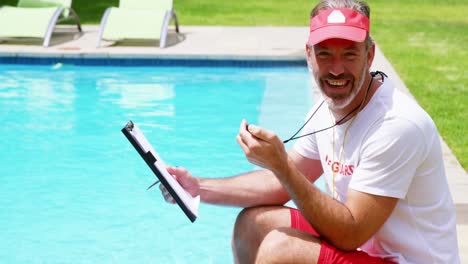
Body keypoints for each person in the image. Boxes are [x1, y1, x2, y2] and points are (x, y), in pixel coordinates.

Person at [159, 0, 460, 263]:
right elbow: (277, 187)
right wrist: (197, 187)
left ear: (370, 56)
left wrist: (281, 165)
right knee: (252, 224)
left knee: (281, 250)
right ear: (308, 54)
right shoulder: (324, 110)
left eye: (350, 54)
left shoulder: (397, 126)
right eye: (325, 54)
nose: (336, 69)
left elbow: (350, 232)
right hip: (368, 252)